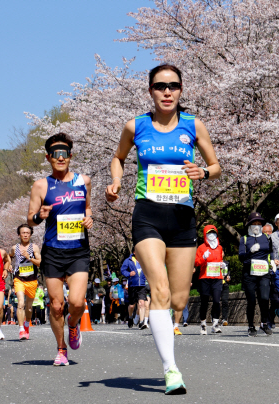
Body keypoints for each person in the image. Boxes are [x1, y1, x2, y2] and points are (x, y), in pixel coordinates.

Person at [105, 64, 220, 395]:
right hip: (148, 215)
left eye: (173, 86)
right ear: (150, 91)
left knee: (180, 299)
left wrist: (204, 172)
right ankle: (171, 370)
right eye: (160, 86)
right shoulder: (136, 126)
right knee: (160, 290)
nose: (167, 91)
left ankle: (167, 338)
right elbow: (119, 158)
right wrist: (115, 182)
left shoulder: (193, 125)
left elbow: (216, 166)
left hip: (182, 217)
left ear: (181, 90)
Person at [27, 133, 94, 366]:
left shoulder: (83, 181)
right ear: (48, 157)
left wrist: (89, 219)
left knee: (76, 302)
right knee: (56, 306)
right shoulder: (41, 185)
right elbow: (31, 220)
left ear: (70, 156)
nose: (60, 158)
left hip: (78, 249)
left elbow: (87, 208)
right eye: (55, 154)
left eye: (64, 154)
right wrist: (39, 215)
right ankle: (61, 349)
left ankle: (74, 325)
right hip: (53, 251)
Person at [239, 212, 273, 337]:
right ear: (249, 225)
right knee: (251, 301)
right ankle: (251, 326)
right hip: (249, 273)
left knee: (264, 298)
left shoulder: (267, 238)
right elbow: (241, 257)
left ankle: (264, 323)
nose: (257, 226)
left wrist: (274, 261)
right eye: (254, 223)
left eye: (259, 224)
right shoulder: (245, 239)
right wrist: (250, 252)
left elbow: (272, 252)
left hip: (263, 272)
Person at [9, 223, 42, 340]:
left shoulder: (34, 247)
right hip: (19, 279)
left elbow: (39, 263)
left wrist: (29, 257)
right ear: (19, 235)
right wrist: (7, 265)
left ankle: (27, 324)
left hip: (32, 280)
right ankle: (21, 329)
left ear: (31, 234)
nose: (25, 235)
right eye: (23, 233)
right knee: (21, 304)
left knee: (29, 307)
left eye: (27, 233)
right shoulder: (14, 248)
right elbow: (10, 256)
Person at [194, 225, 224, 335]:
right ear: (205, 234)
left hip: (217, 277)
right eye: (209, 233)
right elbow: (196, 263)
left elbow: (220, 260)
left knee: (217, 301)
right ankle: (203, 324)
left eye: (213, 232)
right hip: (205, 278)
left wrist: (222, 265)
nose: (211, 235)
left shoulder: (219, 247)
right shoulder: (201, 248)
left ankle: (215, 324)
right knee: (204, 302)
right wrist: (203, 258)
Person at [121, 250, 149, 329]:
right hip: (133, 285)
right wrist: (129, 274)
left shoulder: (144, 260)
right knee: (132, 306)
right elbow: (123, 270)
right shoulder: (128, 260)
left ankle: (141, 322)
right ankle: (130, 318)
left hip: (142, 285)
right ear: (134, 252)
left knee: (142, 303)